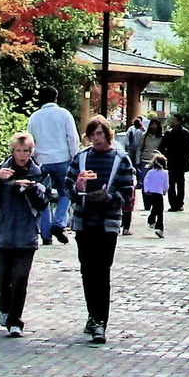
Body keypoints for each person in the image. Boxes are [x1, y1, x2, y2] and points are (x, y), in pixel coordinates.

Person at [0, 132, 48, 337]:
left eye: (26, 151)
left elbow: (44, 202)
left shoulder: (38, 173)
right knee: (2, 278)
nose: (22, 155)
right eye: (18, 151)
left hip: (26, 234)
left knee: (20, 278)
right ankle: (4, 306)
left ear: (31, 152)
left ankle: (15, 320)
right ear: (12, 151)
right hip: (4, 233)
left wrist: (31, 190)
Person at [70, 117, 135, 344]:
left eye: (99, 134)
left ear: (108, 134)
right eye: (92, 135)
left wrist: (109, 197)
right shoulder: (81, 159)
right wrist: (77, 188)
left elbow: (128, 192)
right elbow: (68, 188)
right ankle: (92, 314)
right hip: (84, 222)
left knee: (102, 271)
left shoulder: (120, 159)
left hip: (107, 224)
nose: (95, 139)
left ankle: (100, 322)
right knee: (88, 271)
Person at [26, 88, 81, 245]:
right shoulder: (64, 114)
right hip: (62, 158)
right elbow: (72, 137)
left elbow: (31, 140)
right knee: (66, 193)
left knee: (43, 196)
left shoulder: (34, 117)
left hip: (42, 161)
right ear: (56, 98)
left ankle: (45, 235)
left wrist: (34, 159)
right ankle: (58, 223)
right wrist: (74, 156)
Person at [160, 115, 189, 212]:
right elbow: (163, 146)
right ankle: (173, 204)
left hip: (181, 161)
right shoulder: (168, 133)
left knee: (180, 183)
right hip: (171, 161)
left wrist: (187, 159)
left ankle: (180, 203)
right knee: (171, 183)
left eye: (174, 120)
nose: (172, 121)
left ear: (179, 121)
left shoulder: (185, 133)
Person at [141, 155, 169, 238]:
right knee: (160, 210)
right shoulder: (165, 173)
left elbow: (146, 181)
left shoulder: (150, 172)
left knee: (155, 207)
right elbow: (166, 184)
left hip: (150, 193)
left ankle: (151, 219)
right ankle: (159, 227)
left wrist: (146, 190)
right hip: (158, 193)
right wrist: (165, 190)